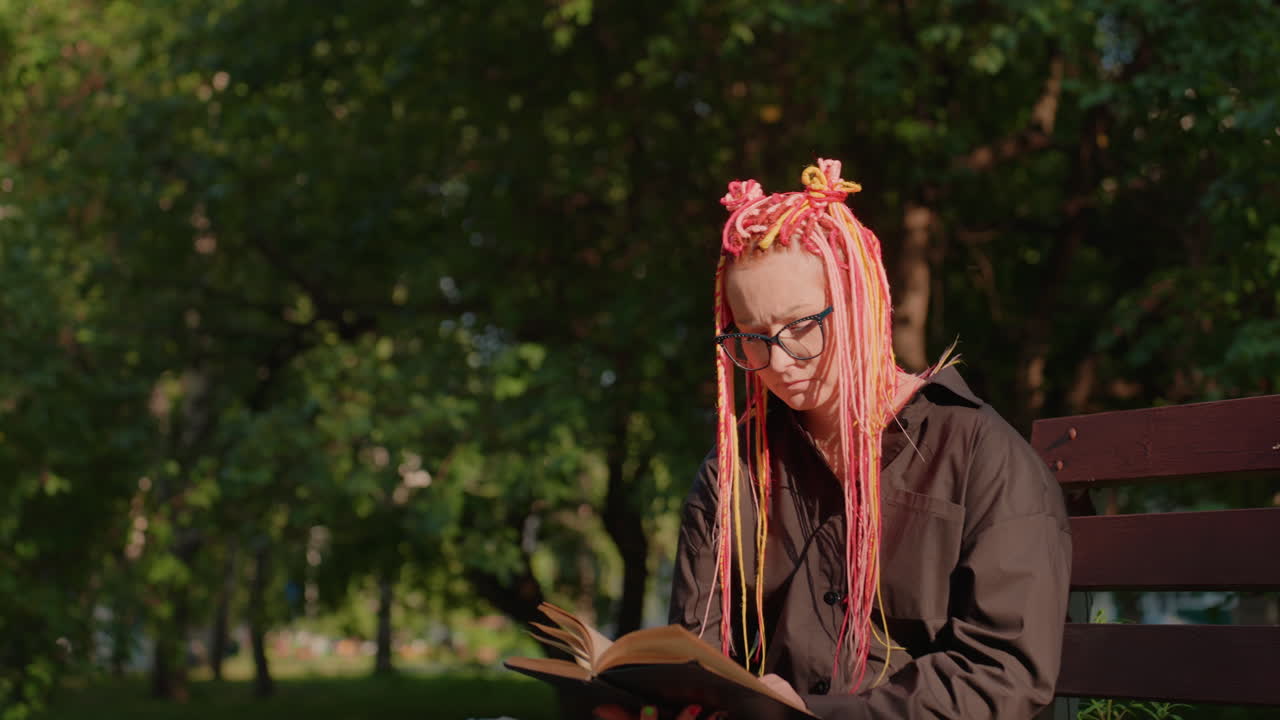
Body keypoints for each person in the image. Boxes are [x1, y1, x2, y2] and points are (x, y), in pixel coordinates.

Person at [596, 159, 1071, 720]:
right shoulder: (737, 469)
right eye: (750, 337)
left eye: (800, 327)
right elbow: (702, 648)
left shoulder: (981, 456)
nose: (775, 363)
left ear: (861, 302)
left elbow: (1003, 675)